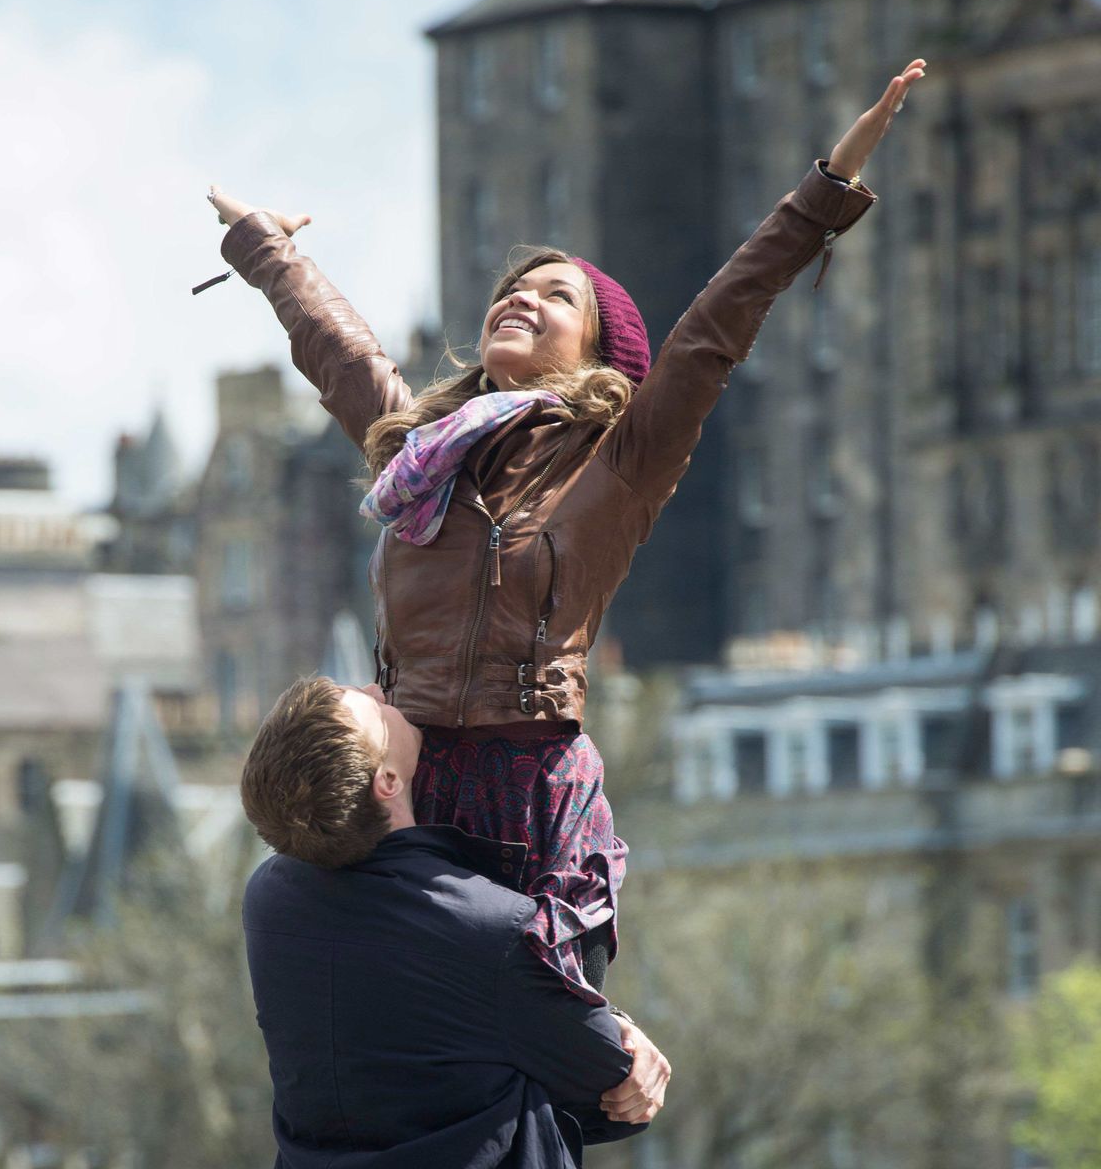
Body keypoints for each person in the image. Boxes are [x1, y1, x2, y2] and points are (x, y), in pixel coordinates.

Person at [208, 58, 927, 1005]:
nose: (523, 298)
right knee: (388, 1020)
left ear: (596, 353)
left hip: (518, 789)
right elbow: (341, 355)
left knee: (525, 1034)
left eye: (557, 298)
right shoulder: (425, 451)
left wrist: (823, 193)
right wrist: (268, 249)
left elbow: (718, 322)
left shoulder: (618, 460)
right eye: (515, 289)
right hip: (403, 782)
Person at [240, 674, 671, 1168]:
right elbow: (613, 1089)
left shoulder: (268, 900)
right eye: (375, 712)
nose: (380, 692)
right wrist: (620, 1029)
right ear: (387, 782)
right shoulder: (495, 933)